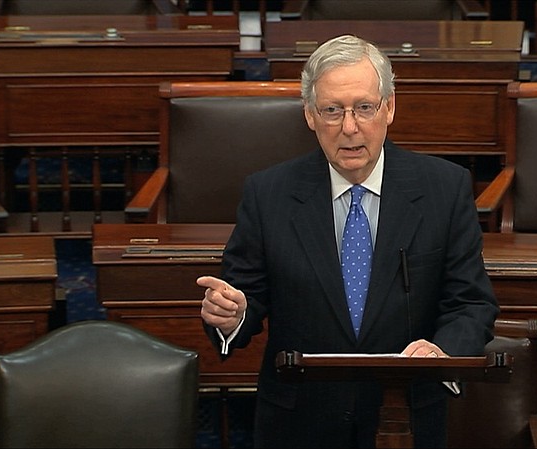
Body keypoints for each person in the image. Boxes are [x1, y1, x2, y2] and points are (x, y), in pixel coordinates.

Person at [197, 34, 499, 448]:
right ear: (309, 115)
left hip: (407, 418)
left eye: (364, 107)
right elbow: (245, 297)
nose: (349, 127)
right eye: (332, 110)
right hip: (300, 422)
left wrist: (441, 354)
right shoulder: (269, 194)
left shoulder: (444, 188)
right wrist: (233, 318)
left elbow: (471, 302)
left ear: (389, 107)